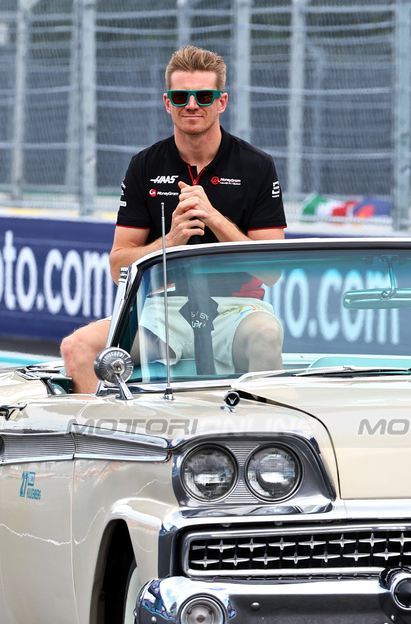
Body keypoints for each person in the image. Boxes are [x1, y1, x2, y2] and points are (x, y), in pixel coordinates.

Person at [60, 45, 287, 392]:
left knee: (267, 335)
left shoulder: (256, 165)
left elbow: (271, 270)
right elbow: (117, 266)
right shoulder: (144, 165)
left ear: (221, 102)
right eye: (181, 97)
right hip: (163, 310)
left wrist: (214, 218)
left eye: (203, 96)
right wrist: (172, 240)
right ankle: (108, 444)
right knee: (79, 347)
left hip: (238, 310)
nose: (192, 105)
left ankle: (268, 445)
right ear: (168, 103)